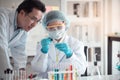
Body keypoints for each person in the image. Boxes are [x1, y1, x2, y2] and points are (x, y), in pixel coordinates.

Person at [31, 10, 87, 78]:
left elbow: (81, 70)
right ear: (46, 28)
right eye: (51, 28)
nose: (56, 30)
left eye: (59, 27)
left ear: (65, 25)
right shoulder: (42, 45)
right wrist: (43, 53)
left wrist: (70, 55)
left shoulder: (76, 44)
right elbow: (38, 69)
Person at [0, 0, 46, 78]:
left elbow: (20, 51)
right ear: (22, 13)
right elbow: (1, 47)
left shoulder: (23, 29)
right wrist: (8, 74)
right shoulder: (2, 17)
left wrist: (20, 72)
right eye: (33, 19)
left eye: (37, 21)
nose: (34, 25)